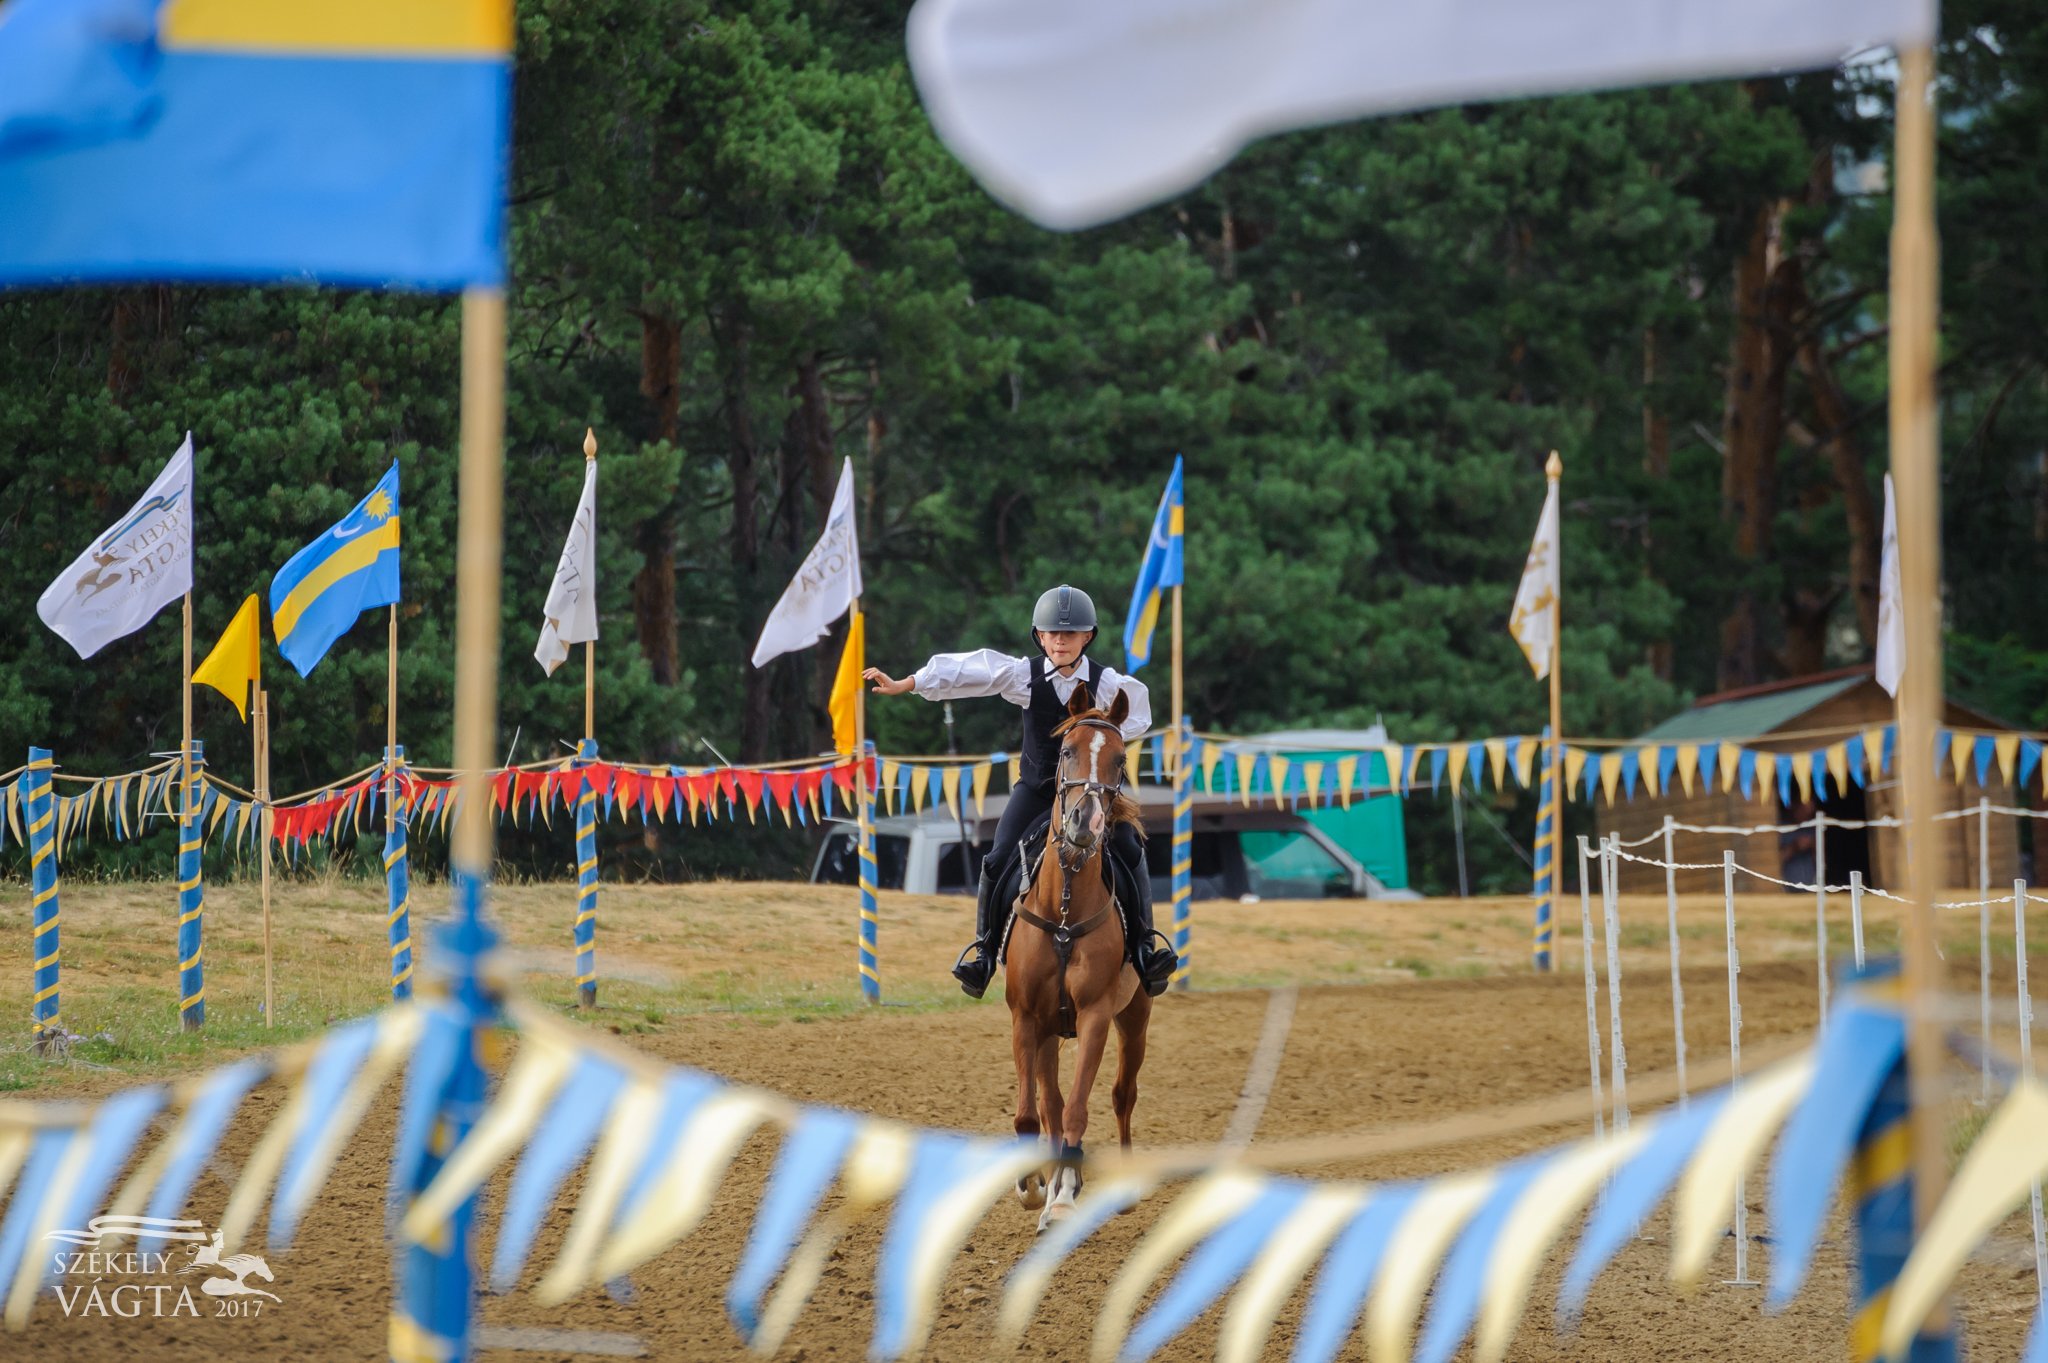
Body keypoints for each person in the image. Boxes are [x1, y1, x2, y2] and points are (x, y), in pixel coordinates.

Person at [864, 584, 1179, 1000]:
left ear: (1088, 637)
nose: (1061, 640)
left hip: (1090, 795)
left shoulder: (1109, 684)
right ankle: (984, 952)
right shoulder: (1021, 676)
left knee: (1130, 846)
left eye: (1071, 633)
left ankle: (1144, 948)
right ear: (1039, 636)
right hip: (1036, 791)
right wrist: (909, 683)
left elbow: (1138, 713)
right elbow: (969, 670)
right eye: (1052, 633)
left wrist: (1103, 732)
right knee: (996, 859)